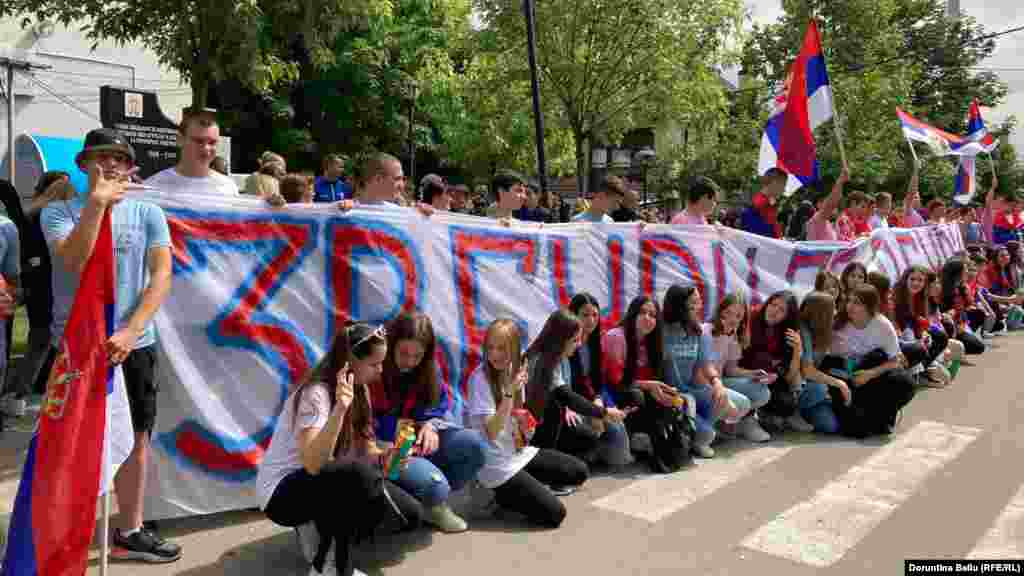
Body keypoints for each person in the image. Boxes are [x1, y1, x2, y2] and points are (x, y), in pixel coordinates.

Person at [41, 128, 179, 562]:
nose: (111, 165)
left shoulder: (147, 212)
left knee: (136, 437)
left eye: (120, 158)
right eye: (101, 157)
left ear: (130, 166)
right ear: (84, 165)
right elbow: (73, 260)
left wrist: (133, 330)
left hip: (134, 344)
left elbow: (161, 276)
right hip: (77, 345)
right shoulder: (59, 212)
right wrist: (98, 205)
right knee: (70, 439)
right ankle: (64, 529)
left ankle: (130, 529)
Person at [257, 322, 423, 576]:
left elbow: (367, 450)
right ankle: (329, 567)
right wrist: (339, 410)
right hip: (281, 493)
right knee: (357, 478)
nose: (380, 370)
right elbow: (313, 463)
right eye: (374, 364)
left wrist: (387, 457)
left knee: (409, 514)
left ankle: (321, 530)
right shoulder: (317, 393)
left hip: (321, 482)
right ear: (350, 361)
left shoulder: (361, 390)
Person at [371, 312, 487, 533]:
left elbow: (439, 407)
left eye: (418, 356)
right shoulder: (376, 367)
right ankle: (428, 494)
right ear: (390, 345)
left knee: (475, 446)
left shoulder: (428, 370)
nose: (410, 362)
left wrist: (431, 425)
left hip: (414, 444)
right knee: (435, 486)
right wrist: (392, 427)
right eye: (403, 353)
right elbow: (362, 418)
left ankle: (432, 500)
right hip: (387, 450)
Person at [468, 319, 588, 526]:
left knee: (579, 471)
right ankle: (495, 492)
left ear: (514, 349)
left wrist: (525, 425)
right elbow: (492, 432)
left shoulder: (516, 369)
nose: (494, 354)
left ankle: (521, 488)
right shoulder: (479, 379)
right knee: (555, 514)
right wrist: (509, 393)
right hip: (495, 465)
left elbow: (518, 418)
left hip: (518, 453)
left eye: (502, 348)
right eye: (490, 348)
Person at [524, 309, 628, 485]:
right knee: (578, 471)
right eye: (574, 340)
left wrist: (601, 410)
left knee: (584, 448)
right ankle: (542, 474)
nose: (579, 344)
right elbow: (567, 397)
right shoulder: (539, 361)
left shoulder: (550, 358)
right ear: (560, 340)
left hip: (537, 436)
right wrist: (604, 412)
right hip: (526, 443)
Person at [661, 285, 748, 457]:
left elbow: (705, 363)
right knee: (707, 434)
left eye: (700, 301)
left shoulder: (698, 331)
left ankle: (696, 431)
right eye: (694, 302)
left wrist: (717, 384)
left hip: (690, 391)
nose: (699, 306)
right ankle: (697, 432)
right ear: (680, 305)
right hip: (669, 393)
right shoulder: (662, 329)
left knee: (727, 402)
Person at [831, 284, 916, 437]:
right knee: (856, 431)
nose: (850, 306)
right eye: (849, 301)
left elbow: (896, 360)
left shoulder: (882, 325)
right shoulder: (838, 323)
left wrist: (870, 374)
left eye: (857, 303)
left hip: (871, 375)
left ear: (870, 306)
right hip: (845, 376)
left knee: (904, 381)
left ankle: (886, 415)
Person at [565, 293, 633, 467]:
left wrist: (599, 401)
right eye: (585, 315)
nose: (591, 320)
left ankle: (599, 450)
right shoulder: (565, 345)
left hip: (593, 400)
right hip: (572, 404)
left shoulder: (597, 344)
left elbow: (599, 382)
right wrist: (591, 410)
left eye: (595, 315)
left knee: (619, 451)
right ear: (573, 316)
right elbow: (562, 385)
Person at [740, 291, 814, 432]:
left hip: (770, 379)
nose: (774, 311)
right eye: (773, 305)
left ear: (787, 316)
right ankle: (748, 420)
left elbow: (789, 376)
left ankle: (772, 415)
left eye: (781, 310)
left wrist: (797, 350)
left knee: (787, 403)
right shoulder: (751, 319)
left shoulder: (787, 332)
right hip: (745, 375)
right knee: (763, 359)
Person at [705, 293, 772, 442]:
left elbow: (731, 370)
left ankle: (727, 422)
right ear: (720, 311)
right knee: (743, 403)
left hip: (721, 380)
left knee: (762, 392)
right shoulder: (706, 330)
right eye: (728, 312)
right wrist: (716, 384)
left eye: (738, 316)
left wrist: (753, 374)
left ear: (743, 319)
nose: (732, 319)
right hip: (706, 383)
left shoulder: (733, 335)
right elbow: (701, 367)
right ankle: (713, 424)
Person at [796, 292, 845, 433]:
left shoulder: (827, 330)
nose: (835, 312)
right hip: (799, 386)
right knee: (821, 389)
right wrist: (838, 383)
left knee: (831, 426)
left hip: (815, 384)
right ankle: (794, 412)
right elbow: (808, 371)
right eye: (832, 309)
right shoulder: (802, 330)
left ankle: (812, 407)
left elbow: (844, 357)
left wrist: (849, 370)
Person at [805, 169, 850, 241]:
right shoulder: (817, 219)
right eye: (826, 200)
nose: (834, 207)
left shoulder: (828, 222)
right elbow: (831, 204)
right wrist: (840, 182)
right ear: (818, 204)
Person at [741, 168, 786, 238]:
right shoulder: (761, 204)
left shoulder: (768, 203)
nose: (784, 190)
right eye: (783, 185)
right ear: (774, 183)